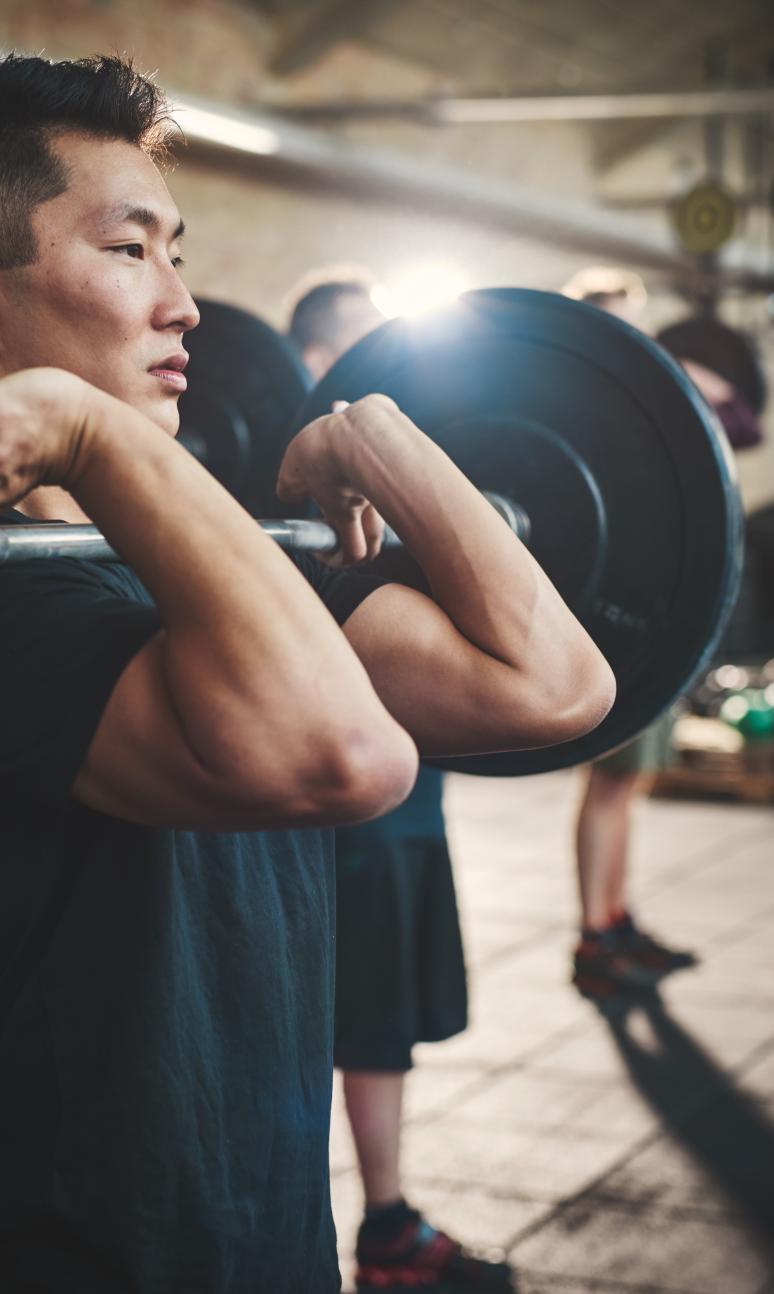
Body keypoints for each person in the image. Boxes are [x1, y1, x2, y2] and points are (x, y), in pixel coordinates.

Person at [0, 54, 615, 1294]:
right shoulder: (23, 607)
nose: (185, 305)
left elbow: (554, 686)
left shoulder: (205, 574)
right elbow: (349, 755)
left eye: (179, 251)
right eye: (130, 251)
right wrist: (81, 426)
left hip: (266, 1235)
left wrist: (373, 434)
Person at [289, 276, 512, 1292]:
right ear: (308, 356)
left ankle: (381, 1219)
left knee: (378, 1013)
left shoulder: (404, 470)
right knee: (319, 1013)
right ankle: (370, 1225)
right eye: (353, 352)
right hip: (323, 795)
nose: (376, 382)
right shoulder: (269, 474)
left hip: (405, 784)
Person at [562, 267, 758, 1003]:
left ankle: (614, 917)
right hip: (615, 627)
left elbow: (744, 423)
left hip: (657, 615)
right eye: (619, 325)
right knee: (609, 785)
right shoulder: (589, 410)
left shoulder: (637, 401)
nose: (634, 343)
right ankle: (594, 935)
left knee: (629, 783)